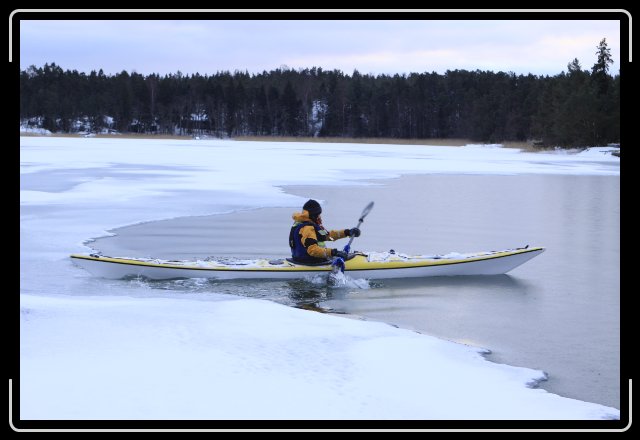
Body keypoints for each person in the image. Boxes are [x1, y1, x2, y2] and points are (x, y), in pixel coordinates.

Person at [289, 199, 361, 264]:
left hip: (300, 259)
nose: (319, 217)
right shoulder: (308, 228)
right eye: (318, 215)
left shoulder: (302, 223)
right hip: (311, 261)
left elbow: (328, 237)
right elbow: (313, 250)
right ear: (313, 215)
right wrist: (333, 252)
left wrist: (347, 232)